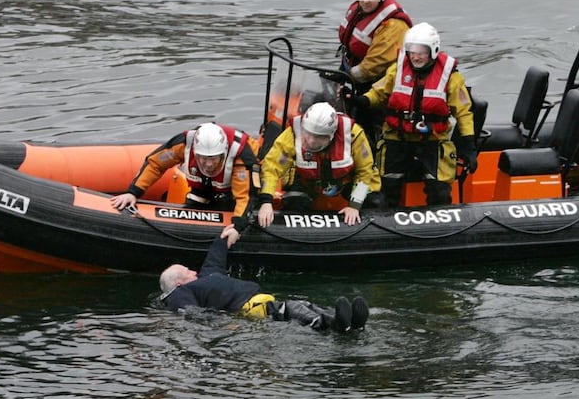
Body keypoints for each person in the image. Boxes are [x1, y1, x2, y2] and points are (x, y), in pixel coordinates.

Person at [344, 22, 477, 207]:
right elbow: (380, 92)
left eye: (421, 52)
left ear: (433, 50)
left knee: (439, 191)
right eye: (411, 51)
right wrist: (362, 100)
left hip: (432, 140)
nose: (415, 56)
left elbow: (463, 113)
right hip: (397, 138)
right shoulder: (398, 69)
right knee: (386, 187)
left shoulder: (451, 77)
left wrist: (469, 146)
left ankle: (438, 225)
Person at [159, 227, 369, 332]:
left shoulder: (208, 276)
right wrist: (223, 323)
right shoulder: (179, 294)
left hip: (261, 299)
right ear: (179, 282)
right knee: (291, 308)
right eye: (187, 271)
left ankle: (349, 321)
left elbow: (214, 258)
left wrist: (224, 237)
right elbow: (191, 312)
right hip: (249, 308)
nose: (193, 271)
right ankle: (331, 324)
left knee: (304, 304)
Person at [110, 122, 260, 232]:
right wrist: (133, 192)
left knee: (230, 205)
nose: (208, 164)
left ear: (224, 152)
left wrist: (238, 226)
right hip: (201, 188)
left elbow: (246, 195)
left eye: (213, 159)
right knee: (193, 204)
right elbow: (156, 163)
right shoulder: (184, 143)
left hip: (231, 190)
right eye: (203, 158)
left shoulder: (241, 155)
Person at [256, 102, 381, 228]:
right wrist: (266, 202)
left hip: (346, 183)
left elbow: (365, 171)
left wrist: (355, 206)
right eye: (308, 134)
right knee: (293, 202)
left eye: (317, 137)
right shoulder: (294, 133)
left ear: (331, 135)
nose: (310, 140)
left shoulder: (353, 135)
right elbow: (272, 167)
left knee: (375, 201)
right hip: (309, 183)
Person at [338, 0, 413, 144]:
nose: (366, 1)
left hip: (380, 84)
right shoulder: (360, 9)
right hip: (354, 75)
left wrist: (349, 75)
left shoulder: (393, 24)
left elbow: (376, 64)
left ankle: (376, 156)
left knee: (376, 128)